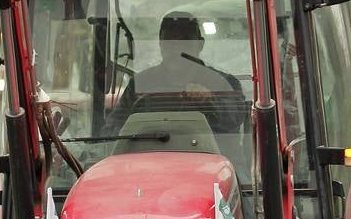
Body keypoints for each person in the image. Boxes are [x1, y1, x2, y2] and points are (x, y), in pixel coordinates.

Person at [105, 10, 247, 135]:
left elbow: (236, 117)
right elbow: (112, 129)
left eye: (185, 40)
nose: (177, 47)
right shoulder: (140, 84)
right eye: (170, 40)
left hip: (212, 161)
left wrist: (209, 100)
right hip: (149, 159)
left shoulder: (223, 83)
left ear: (200, 44)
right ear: (161, 44)